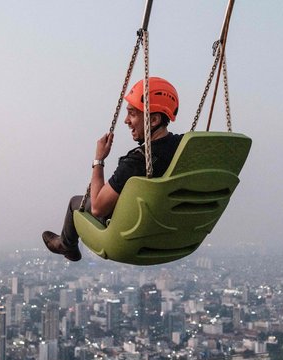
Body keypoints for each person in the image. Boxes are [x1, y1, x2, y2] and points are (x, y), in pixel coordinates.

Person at [42, 77, 182, 261]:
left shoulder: (137, 162)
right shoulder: (182, 148)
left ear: (154, 119)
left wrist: (98, 159)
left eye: (132, 114)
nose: (126, 121)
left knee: (75, 203)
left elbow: (99, 207)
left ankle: (67, 245)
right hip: (175, 233)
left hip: (134, 234)